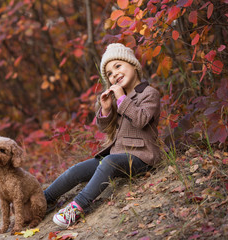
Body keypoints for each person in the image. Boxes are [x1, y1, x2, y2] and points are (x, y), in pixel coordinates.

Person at [44, 43, 161, 228]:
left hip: (142, 158)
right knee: (77, 170)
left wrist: (122, 98)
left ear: (133, 66)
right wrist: (106, 109)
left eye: (118, 66)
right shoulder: (118, 98)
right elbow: (106, 128)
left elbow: (141, 120)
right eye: (109, 73)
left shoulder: (149, 93)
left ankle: (76, 207)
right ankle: (44, 199)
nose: (114, 74)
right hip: (117, 155)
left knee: (108, 162)